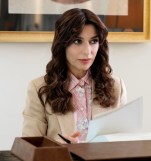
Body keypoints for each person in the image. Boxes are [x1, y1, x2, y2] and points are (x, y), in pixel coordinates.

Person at [22, 8, 127, 144]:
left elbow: (124, 144)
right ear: (62, 44)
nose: (87, 52)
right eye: (77, 41)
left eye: (93, 41)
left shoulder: (117, 87)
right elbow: (30, 148)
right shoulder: (39, 89)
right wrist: (58, 148)